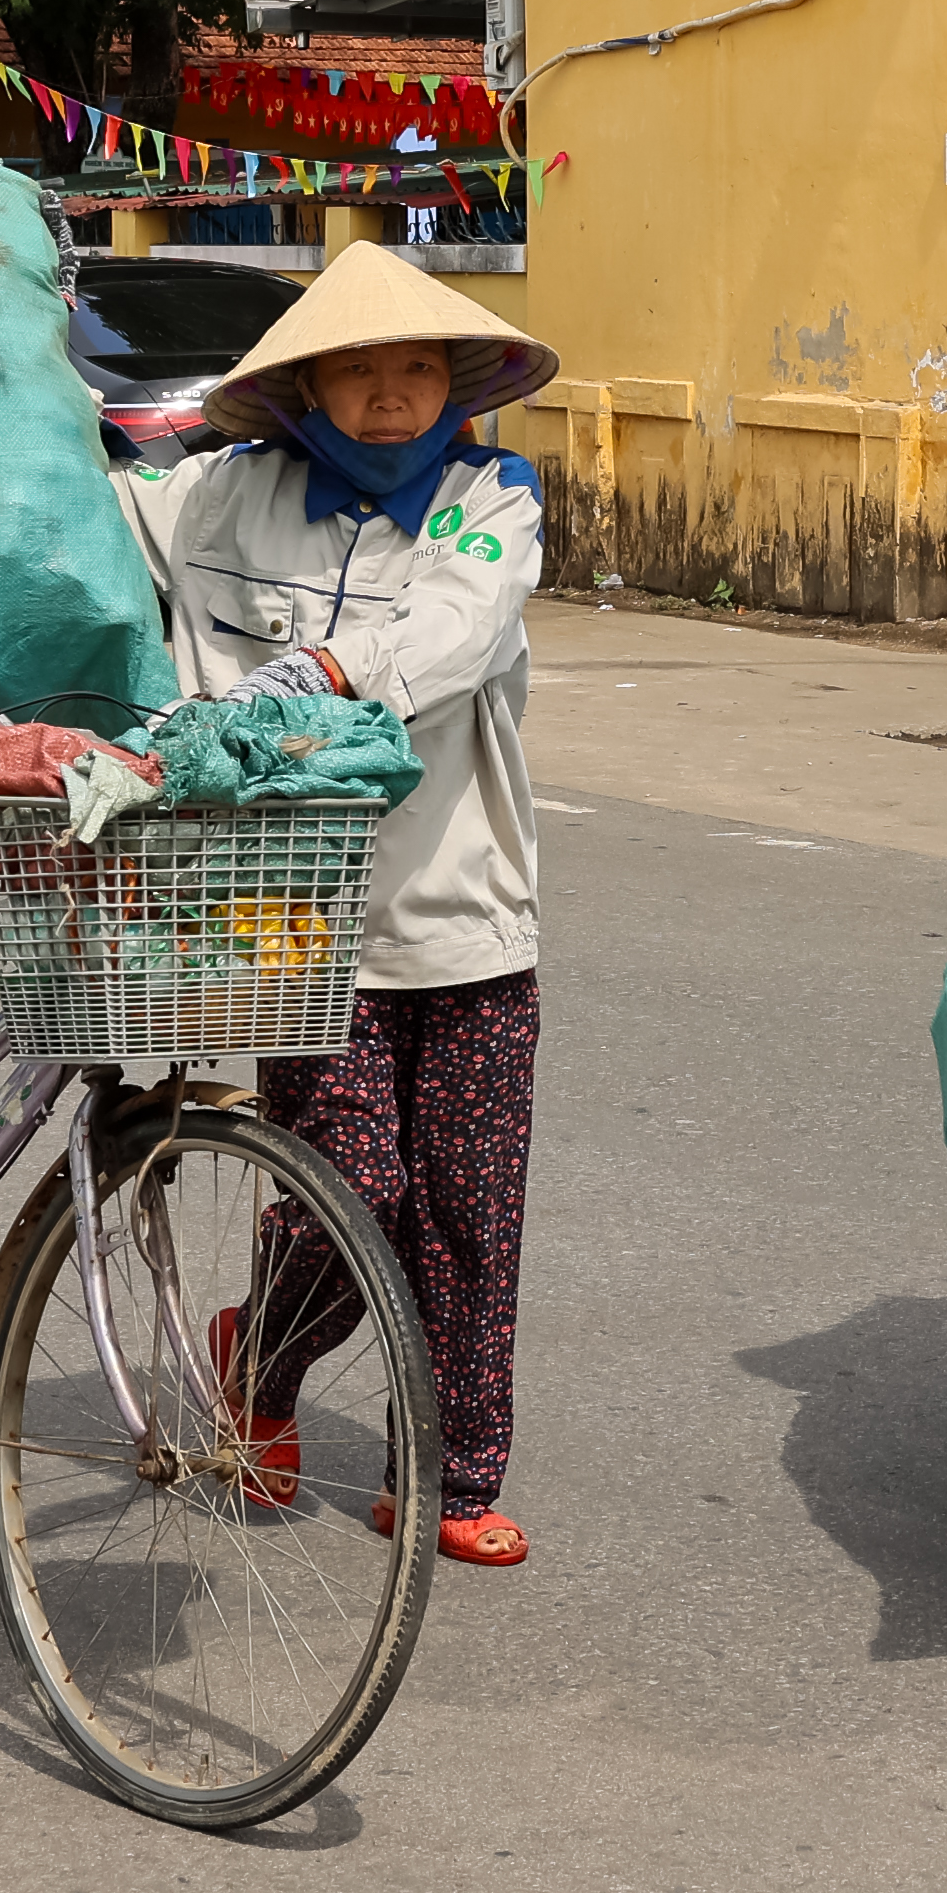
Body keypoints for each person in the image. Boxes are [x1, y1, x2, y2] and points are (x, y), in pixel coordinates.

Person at [158, 244, 558, 1569]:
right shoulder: (226, 498)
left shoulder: (488, 495)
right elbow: (97, 528)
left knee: (468, 1208)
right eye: (359, 369)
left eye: (416, 368)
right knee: (349, 1185)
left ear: (453, 382)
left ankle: (447, 1474)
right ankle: (258, 1364)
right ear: (309, 386)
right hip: (294, 912)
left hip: (467, 910)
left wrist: (323, 665)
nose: (390, 393)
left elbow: (456, 636)